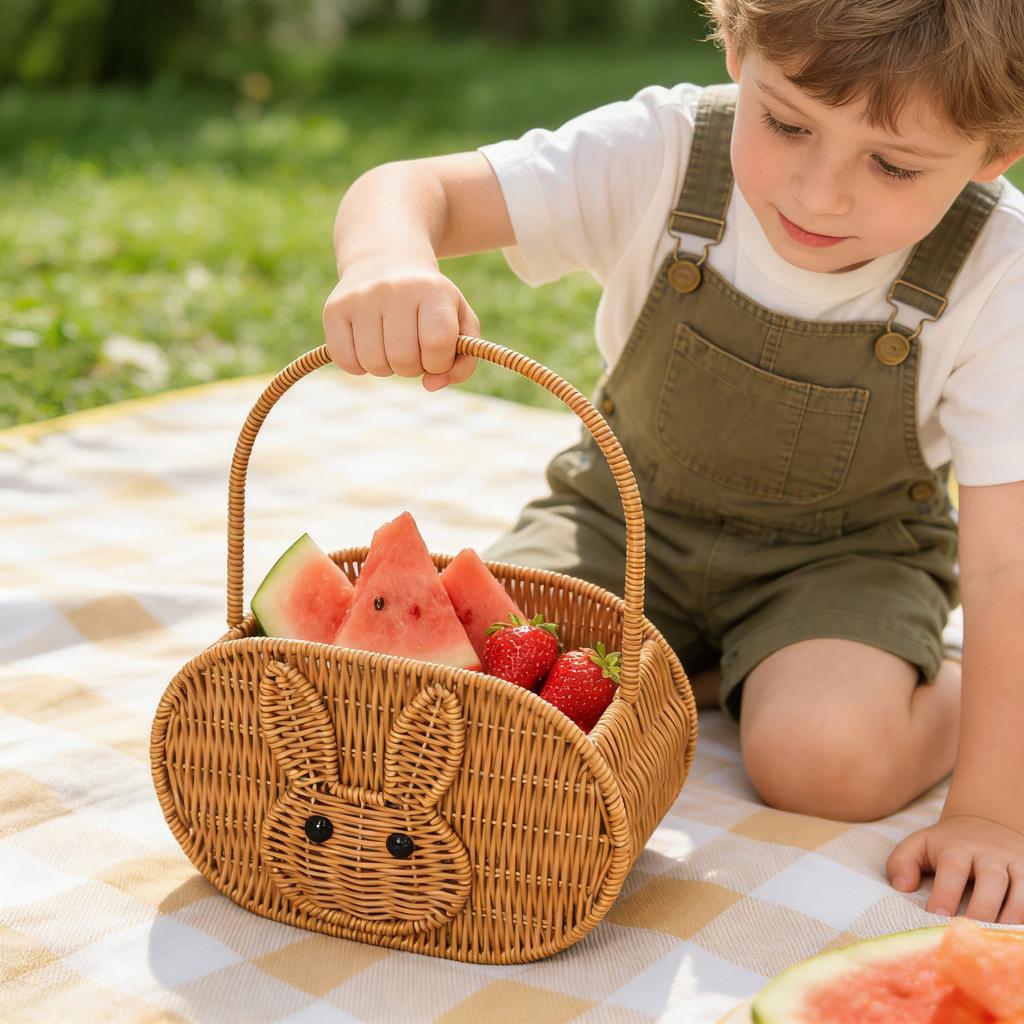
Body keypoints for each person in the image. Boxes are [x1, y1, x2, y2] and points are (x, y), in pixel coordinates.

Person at [321, 0, 1024, 925]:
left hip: (847, 557)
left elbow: (1005, 564)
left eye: (892, 165)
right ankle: (716, 665)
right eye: (787, 124)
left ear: (995, 152)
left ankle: (936, 684)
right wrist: (386, 257)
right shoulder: (662, 151)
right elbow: (413, 188)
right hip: (619, 513)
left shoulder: (1000, 273)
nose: (820, 194)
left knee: (822, 763)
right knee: (482, 701)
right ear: (737, 49)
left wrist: (991, 812)